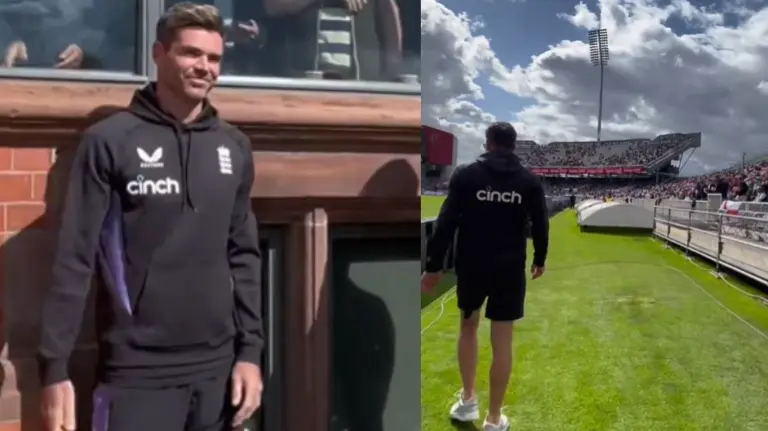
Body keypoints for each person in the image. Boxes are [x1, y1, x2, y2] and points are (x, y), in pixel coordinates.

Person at [37, 3, 264, 430]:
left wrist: (250, 354)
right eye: (190, 54)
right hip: (136, 375)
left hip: (217, 371)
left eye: (213, 58)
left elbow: (245, 256)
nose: (204, 67)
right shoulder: (110, 142)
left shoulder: (233, 147)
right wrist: (54, 369)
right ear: (159, 54)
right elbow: (74, 260)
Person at [421, 122, 549, 431]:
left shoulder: (467, 175)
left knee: (468, 327)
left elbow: (446, 222)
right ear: (513, 145)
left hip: (472, 266)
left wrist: (434, 266)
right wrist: (539, 259)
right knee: (502, 341)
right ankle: (493, 419)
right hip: (509, 269)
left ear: (487, 143)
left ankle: (468, 401)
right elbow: (541, 224)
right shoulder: (529, 181)